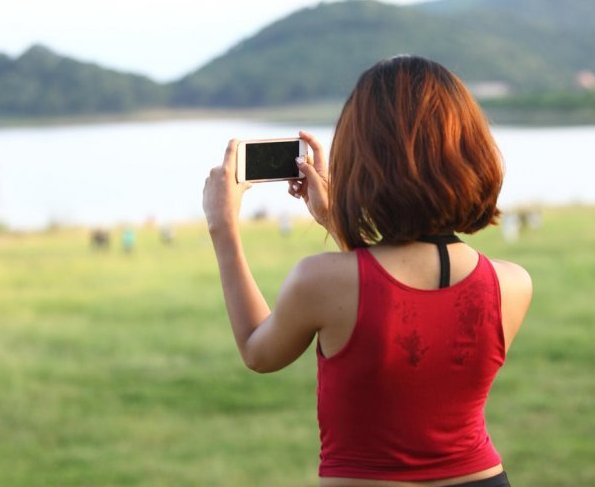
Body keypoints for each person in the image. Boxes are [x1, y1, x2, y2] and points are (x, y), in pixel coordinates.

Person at [202, 55, 532, 487]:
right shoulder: (510, 284)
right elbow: (393, 292)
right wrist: (335, 222)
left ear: (363, 158)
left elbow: (258, 351)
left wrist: (223, 227)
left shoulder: (319, 281)